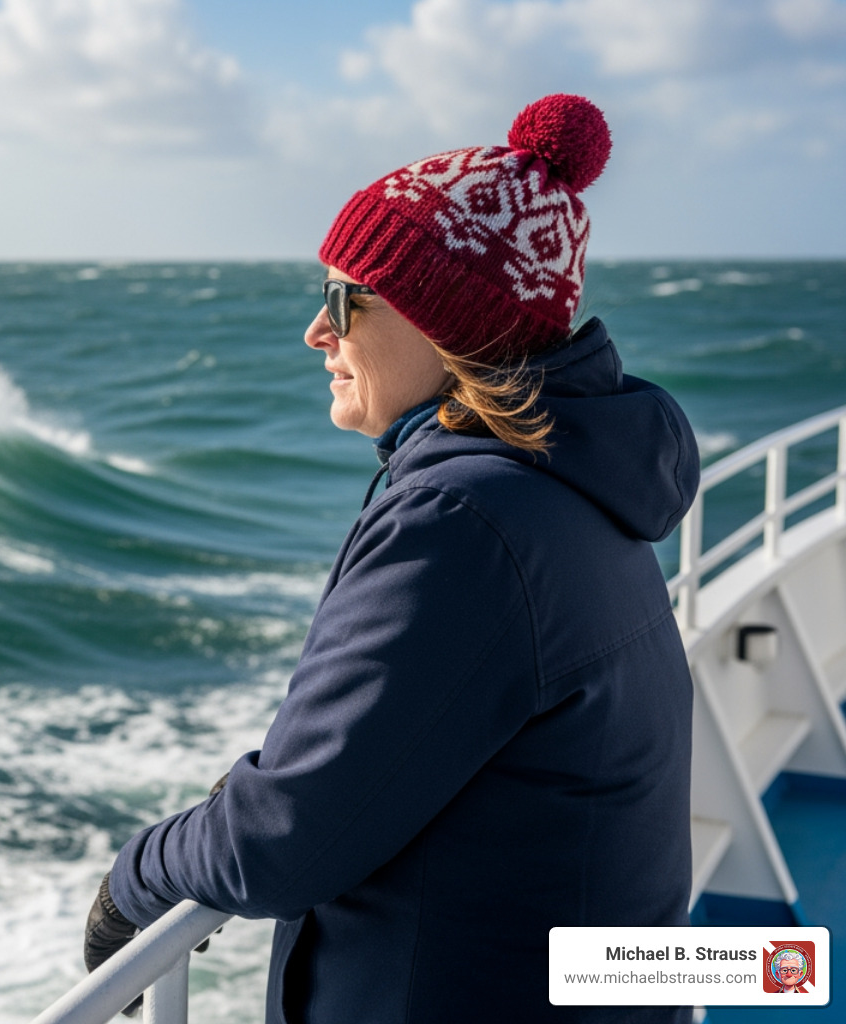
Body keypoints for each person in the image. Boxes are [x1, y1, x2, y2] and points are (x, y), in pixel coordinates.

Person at [83, 94, 699, 1022]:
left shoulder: (465, 519)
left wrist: (136, 878)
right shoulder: (576, 486)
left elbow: (282, 842)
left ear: (445, 322)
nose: (317, 333)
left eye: (343, 299)